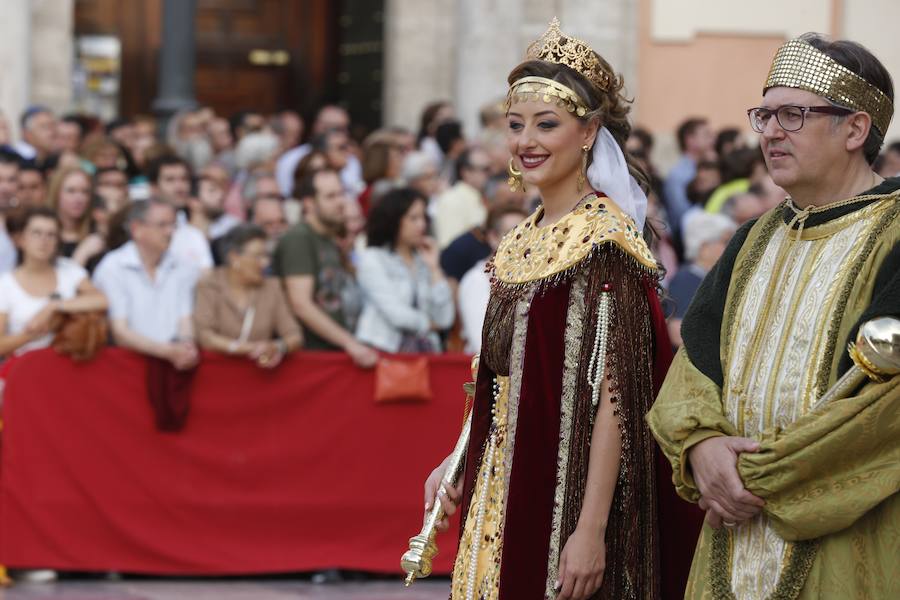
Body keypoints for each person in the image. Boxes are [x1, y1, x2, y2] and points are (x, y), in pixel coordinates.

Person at [424, 19, 688, 599]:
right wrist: (459, 456)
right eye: (515, 125)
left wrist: (590, 528)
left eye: (547, 124)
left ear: (589, 131)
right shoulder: (520, 238)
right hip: (503, 479)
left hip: (567, 487)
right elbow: (494, 375)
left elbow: (618, 392)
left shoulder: (605, 240)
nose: (527, 141)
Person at [648, 33, 900, 600]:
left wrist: (751, 482)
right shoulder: (754, 237)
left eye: (793, 114)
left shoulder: (896, 230)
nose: (770, 132)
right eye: (764, 114)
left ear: (855, 129)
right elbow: (695, 362)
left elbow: (886, 407)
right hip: (730, 536)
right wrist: (701, 448)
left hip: (849, 537)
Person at [273, 169, 375, 366]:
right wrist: (350, 343)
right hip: (313, 357)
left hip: (338, 353)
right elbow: (301, 304)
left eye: (341, 193)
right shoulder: (299, 238)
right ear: (309, 203)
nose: (340, 202)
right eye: (330, 196)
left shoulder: (330, 238)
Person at [93, 199, 200, 371]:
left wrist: (186, 346)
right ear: (137, 228)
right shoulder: (113, 267)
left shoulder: (182, 266)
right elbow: (120, 332)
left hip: (174, 366)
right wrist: (168, 352)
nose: (170, 232)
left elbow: (185, 318)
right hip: (126, 367)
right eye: (162, 225)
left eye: (173, 225)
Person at [354, 187, 453, 353]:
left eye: (423, 217)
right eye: (413, 218)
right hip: (383, 352)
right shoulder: (373, 258)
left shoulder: (425, 259)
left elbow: (445, 318)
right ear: (393, 220)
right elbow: (396, 314)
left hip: (426, 353)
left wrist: (435, 269)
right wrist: (429, 324)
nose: (421, 224)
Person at [0, 207, 108, 357]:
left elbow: (102, 300)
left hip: (68, 364)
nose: (44, 240)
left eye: (51, 234)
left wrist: (54, 307)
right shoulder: (5, 284)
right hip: (24, 368)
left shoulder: (68, 269)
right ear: (21, 239)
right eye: (36, 233)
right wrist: (33, 335)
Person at [193, 224, 301, 368]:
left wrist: (277, 347)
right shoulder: (209, 285)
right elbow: (204, 336)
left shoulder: (272, 287)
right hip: (217, 375)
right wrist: (250, 349)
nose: (265, 263)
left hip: (260, 379)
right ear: (234, 257)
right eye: (258, 256)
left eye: (266, 256)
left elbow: (294, 335)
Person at [457, 206, 528, 353]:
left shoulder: (532, 277)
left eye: (526, 233)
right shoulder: (476, 280)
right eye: (511, 233)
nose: (520, 241)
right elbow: (481, 343)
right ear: (492, 237)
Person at [665, 212, 736, 347]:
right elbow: (678, 332)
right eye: (725, 241)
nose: (731, 247)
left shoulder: (710, 278)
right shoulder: (686, 280)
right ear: (704, 247)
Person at [275, 105, 363, 197]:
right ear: (320, 127)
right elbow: (286, 195)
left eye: (346, 128)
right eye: (339, 129)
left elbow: (356, 193)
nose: (346, 134)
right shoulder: (292, 159)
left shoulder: (351, 161)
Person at [147, 154, 214, 270]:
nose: (179, 187)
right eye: (170, 180)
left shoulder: (194, 234)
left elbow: (206, 275)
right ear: (154, 188)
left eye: (184, 179)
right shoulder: (141, 230)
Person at [664, 117, 715, 238]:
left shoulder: (708, 166)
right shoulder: (678, 174)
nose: (713, 139)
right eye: (707, 135)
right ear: (690, 140)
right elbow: (681, 214)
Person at [433, 148, 492, 249]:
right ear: (466, 172)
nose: (490, 173)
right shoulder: (452, 199)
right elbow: (449, 246)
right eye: (485, 169)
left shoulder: (481, 197)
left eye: (490, 168)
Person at [47, 167, 93, 260]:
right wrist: (83, 254)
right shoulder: (44, 235)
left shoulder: (95, 233)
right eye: (71, 191)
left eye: (85, 192)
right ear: (56, 194)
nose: (79, 198)